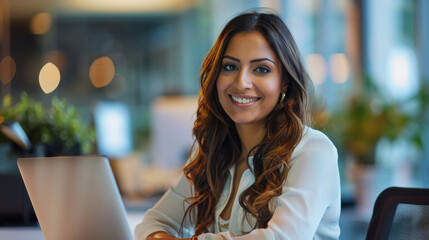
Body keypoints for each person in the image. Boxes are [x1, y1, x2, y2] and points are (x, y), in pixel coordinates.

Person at [135, 11, 341, 240]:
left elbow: (281, 238)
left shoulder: (312, 151)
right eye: (230, 67)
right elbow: (152, 223)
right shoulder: (211, 153)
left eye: (261, 69)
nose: (241, 82)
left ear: (284, 81)